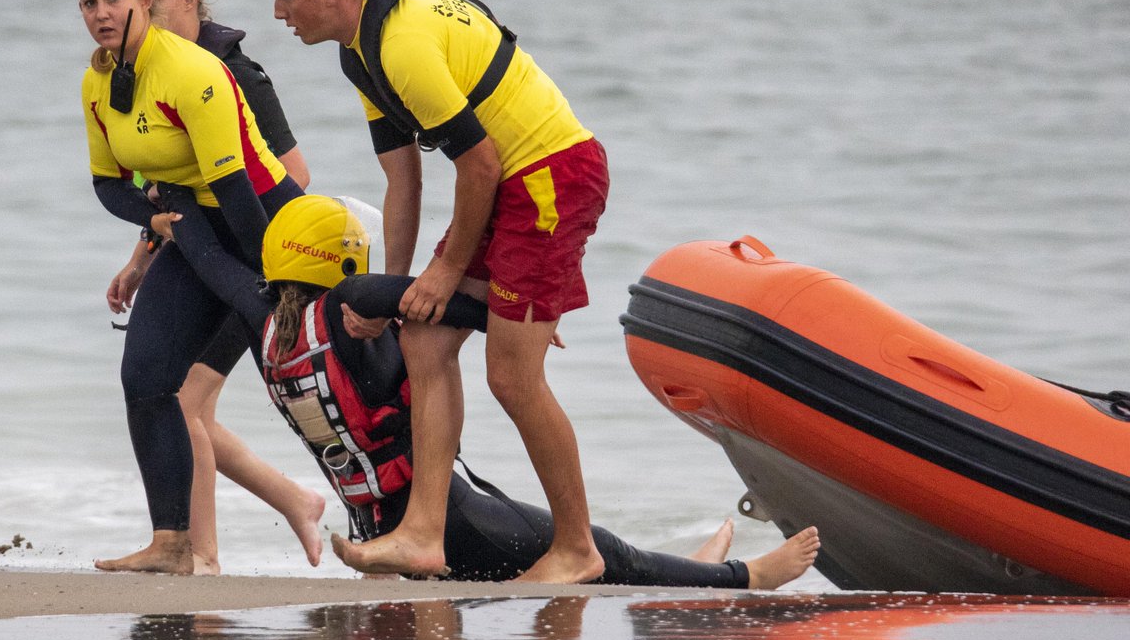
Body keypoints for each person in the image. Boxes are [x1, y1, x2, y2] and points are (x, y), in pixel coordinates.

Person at [161, 188, 821, 588]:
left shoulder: (264, 333)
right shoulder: (353, 301)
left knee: (567, 539)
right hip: (451, 525)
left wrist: (167, 207)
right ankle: (743, 579)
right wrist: (520, 321)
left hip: (379, 520)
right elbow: (429, 299)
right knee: (594, 553)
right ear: (342, 261)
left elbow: (210, 257)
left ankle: (694, 570)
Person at [263, 0, 610, 584]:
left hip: (548, 177)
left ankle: (577, 549)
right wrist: (392, 293)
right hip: (508, 183)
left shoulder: (403, 46)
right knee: (422, 336)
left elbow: (477, 165)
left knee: (511, 375)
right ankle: (422, 535)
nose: (278, 13)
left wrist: (448, 270)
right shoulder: (358, 50)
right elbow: (404, 180)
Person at [78, 0, 304, 574]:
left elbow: (235, 185)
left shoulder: (194, 70)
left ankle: (399, 528)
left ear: (144, 0)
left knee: (301, 384)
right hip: (190, 228)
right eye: (89, 3)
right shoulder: (98, 82)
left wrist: (276, 279)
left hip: (254, 217)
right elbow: (107, 182)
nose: (102, 13)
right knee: (146, 378)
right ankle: (172, 543)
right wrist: (150, 228)